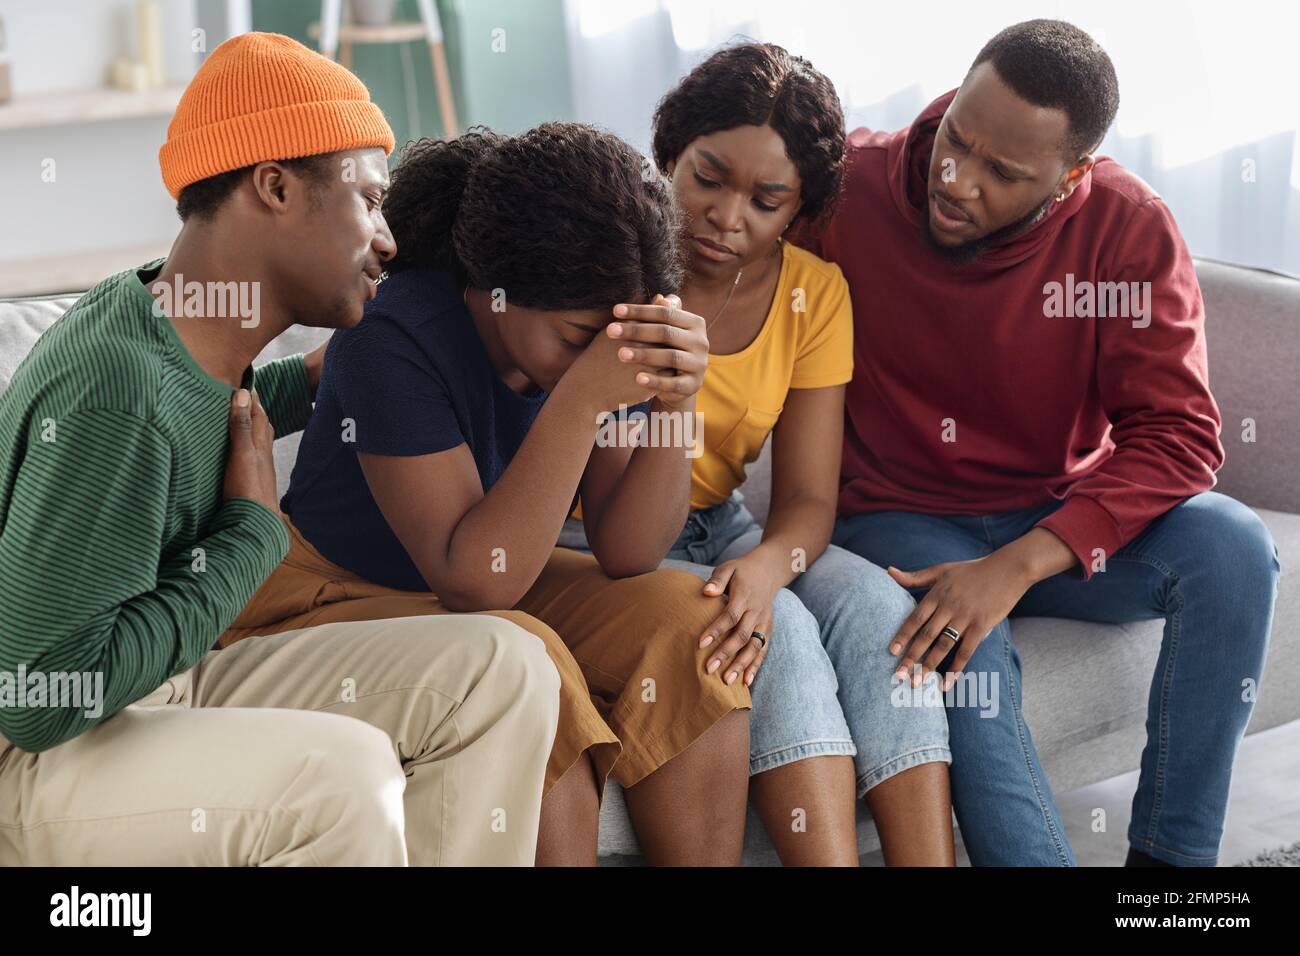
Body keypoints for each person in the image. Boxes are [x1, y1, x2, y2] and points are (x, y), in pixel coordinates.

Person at [0, 32, 559, 867]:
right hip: (45, 757)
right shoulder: (118, 392)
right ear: (275, 186)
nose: (388, 238)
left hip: (161, 687)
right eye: (368, 201)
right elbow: (39, 697)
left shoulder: (172, 321)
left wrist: (303, 380)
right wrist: (250, 538)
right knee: (340, 779)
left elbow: (210, 414)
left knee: (503, 668)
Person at [811, 19, 1279, 866]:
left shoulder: (1127, 229)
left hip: (1061, 521)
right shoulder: (849, 187)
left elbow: (1178, 437)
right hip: (900, 518)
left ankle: (1172, 881)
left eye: (1002, 174)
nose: (955, 181)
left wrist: (1023, 561)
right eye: (959, 138)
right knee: (962, 649)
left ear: (1070, 180)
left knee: (1234, 546)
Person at [221, 123, 754, 866]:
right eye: (574, 339)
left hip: (483, 583)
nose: (591, 358)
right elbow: (476, 576)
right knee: (527, 667)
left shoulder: (601, 326)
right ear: (493, 292)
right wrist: (581, 400)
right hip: (327, 592)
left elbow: (629, 549)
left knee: (689, 628)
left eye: (607, 344)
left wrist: (675, 400)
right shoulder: (390, 337)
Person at [561, 42, 954, 866]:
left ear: (798, 209)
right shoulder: (606, 265)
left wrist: (773, 563)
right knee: (778, 636)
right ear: (670, 152)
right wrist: (762, 591)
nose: (727, 216)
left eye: (766, 200)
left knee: (882, 613)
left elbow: (810, 498)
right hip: (592, 537)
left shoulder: (815, 295)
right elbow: (616, 514)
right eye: (707, 178)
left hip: (723, 526)